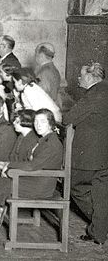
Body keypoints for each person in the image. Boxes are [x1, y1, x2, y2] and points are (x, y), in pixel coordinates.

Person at [0, 109, 62, 228]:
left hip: (40, 185)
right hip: (33, 178)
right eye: (36, 121)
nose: (38, 125)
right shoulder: (44, 139)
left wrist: (9, 166)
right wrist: (8, 166)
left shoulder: (51, 144)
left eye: (43, 121)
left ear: (51, 123)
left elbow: (32, 165)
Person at [65, 61, 108, 245]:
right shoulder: (104, 91)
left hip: (90, 156)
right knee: (100, 193)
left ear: (90, 77)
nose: (78, 78)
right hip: (103, 154)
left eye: (81, 76)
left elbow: (68, 118)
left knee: (75, 187)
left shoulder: (94, 94)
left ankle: (102, 225)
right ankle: (98, 232)